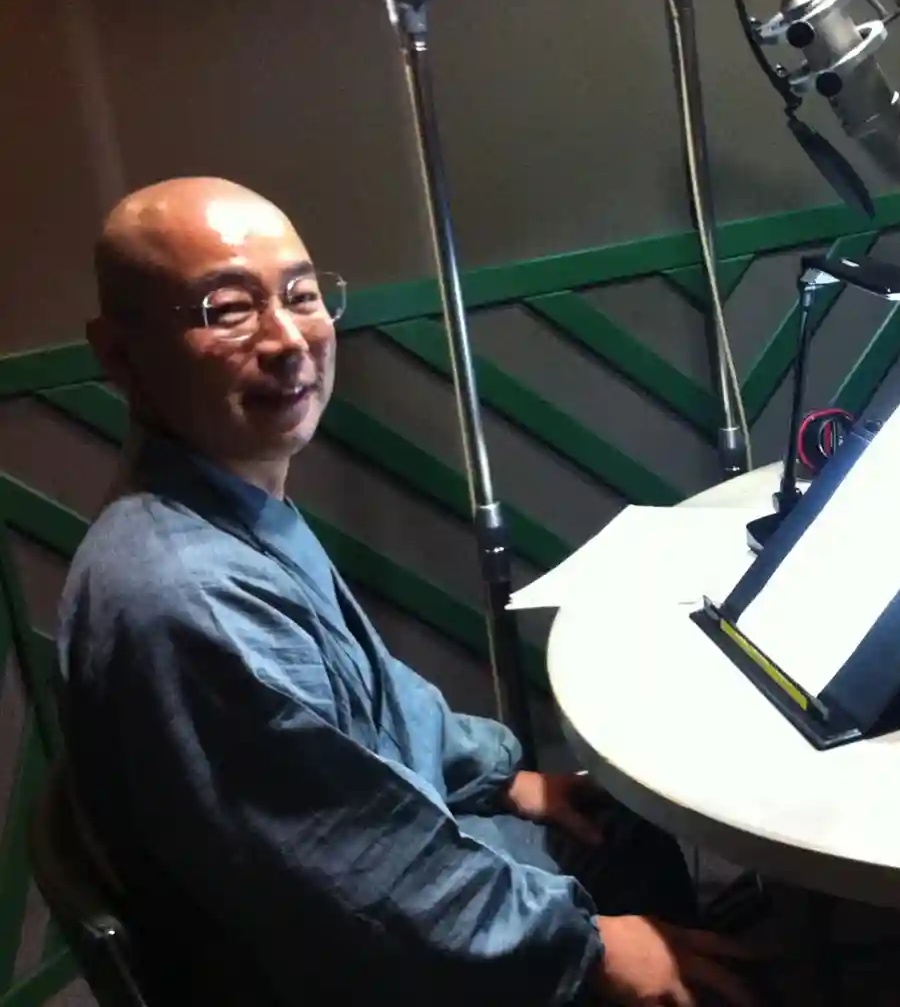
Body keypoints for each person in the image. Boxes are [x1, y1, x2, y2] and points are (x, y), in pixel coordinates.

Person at [55, 177, 759, 1006]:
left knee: (622, 831)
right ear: (119, 354)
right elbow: (360, 878)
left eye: (301, 295)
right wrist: (590, 947)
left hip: (373, 897)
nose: (288, 338)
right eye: (229, 309)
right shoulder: (186, 597)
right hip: (341, 969)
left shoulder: (223, 506)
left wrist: (501, 777)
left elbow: (372, 705)